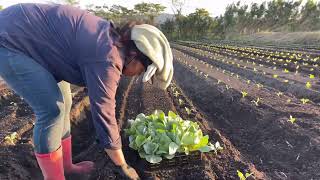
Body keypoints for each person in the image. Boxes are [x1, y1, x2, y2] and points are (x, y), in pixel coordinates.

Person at [0, 3, 173, 180]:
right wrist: (122, 165)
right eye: (142, 70)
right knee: (51, 110)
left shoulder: (112, 43)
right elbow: (104, 112)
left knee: (65, 103)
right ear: (135, 55)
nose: (137, 75)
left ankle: (66, 168)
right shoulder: (107, 56)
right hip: (9, 41)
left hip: (28, 37)